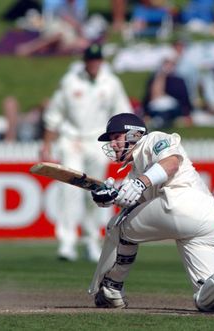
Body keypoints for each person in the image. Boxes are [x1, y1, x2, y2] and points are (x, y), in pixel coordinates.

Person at [87, 113, 214, 312]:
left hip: (180, 202)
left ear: (135, 134)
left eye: (116, 137)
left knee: (118, 226)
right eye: (110, 140)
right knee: (205, 297)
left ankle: (111, 289)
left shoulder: (153, 139)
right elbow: (131, 201)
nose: (112, 144)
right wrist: (109, 197)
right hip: (208, 217)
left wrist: (140, 183)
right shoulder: (134, 172)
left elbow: (171, 163)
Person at [41, 43, 134, 262]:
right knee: (70, 191)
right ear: (85, 61)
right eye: (90, 60)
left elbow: (123, 113)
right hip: (71, 140)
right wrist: (46, 144)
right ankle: (67, 242)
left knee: (97, 190)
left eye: (97, 60)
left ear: (101, 61)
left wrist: (123, 143)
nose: (93, 64)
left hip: (97, 142)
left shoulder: (111, 83)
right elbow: (54, 114)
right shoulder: (70, 81)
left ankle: (93, 240)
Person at [142, 54, 193, 129]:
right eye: (166, 63)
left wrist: (186, 113)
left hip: (173, 107)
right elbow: (150, 97)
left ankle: (160, 121)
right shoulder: (155, 78)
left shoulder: (178, 80)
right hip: (157, 106)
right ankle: (160, 121)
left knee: (167, 112)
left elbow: (184, 98)